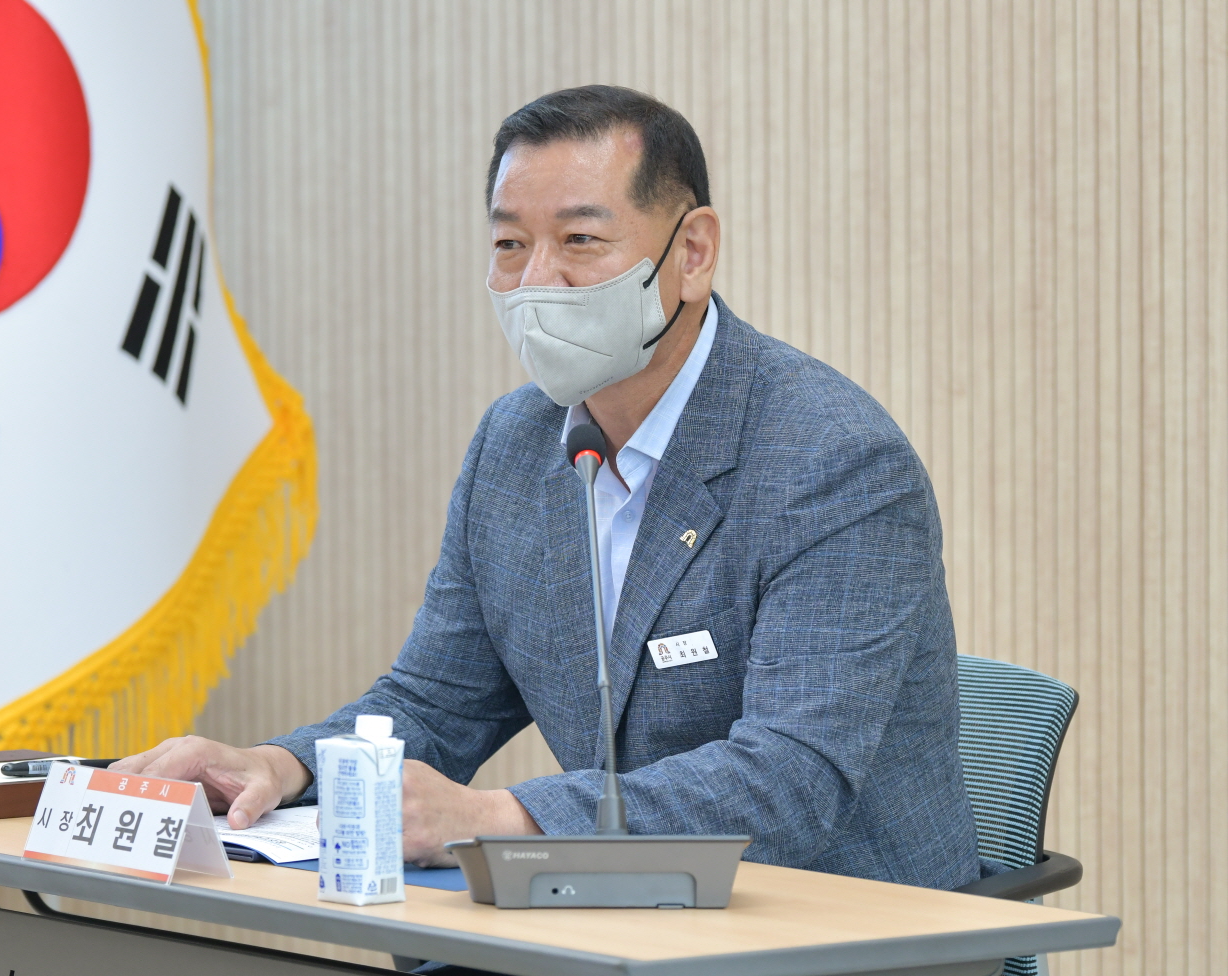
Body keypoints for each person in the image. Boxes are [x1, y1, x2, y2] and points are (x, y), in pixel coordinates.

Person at [115, 85, 982, 890]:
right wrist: (280, 766)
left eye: (580, 241)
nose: (536, 283)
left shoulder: (833, 459)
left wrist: (498, 819)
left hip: (841, 924)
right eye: (509, 245)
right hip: (612, 912)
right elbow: (437, 702)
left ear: (692, 252)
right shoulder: (515, 444)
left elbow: (791, 780)